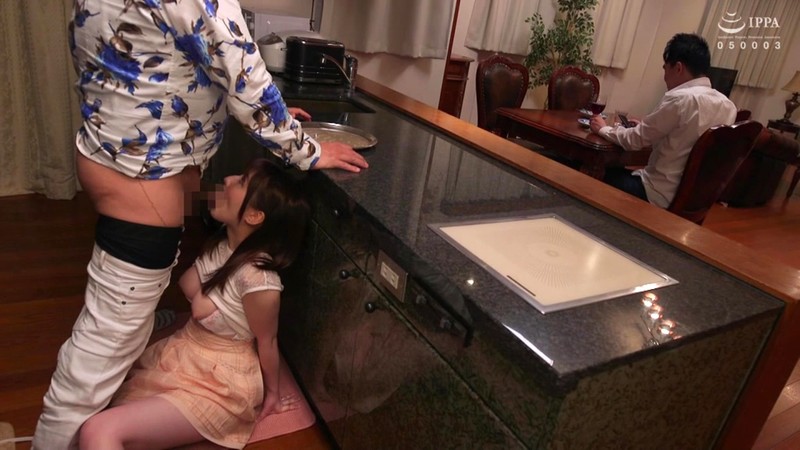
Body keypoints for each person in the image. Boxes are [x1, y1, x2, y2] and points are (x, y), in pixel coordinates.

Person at [33, 0, 367, 448]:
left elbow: (153, 68)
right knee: (93, 365)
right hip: (141, 191)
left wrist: (270, 113)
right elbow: (242, 74)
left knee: (118, 333)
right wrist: (307, 149)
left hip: (117, 166)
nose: (230, 182)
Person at [75, 158, 309, 450]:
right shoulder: (223, 247)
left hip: (221, 384)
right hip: (186, 352)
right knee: (98, 418)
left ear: (254, 215)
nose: (227, 179)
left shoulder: (259, 281)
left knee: (98, 430)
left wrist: (272, 394)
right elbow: (188, 284)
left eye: (242, 181)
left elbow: (267, 341)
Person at [589, 33, 737, 208]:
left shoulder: (680, 99)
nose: (665, 76)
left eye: (665, 68)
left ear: (678, 68)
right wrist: (649, 128)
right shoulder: (729, 106)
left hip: (656, 195)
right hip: (693, 201)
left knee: (591, 171)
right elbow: (685, 140)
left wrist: (603, 128)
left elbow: (634, 141)